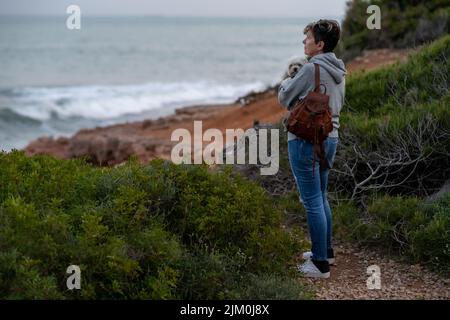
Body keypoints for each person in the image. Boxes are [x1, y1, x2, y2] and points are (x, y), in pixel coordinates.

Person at [278, 19, 347, 278]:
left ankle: (320, 265)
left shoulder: (310, 69)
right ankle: (325, 251)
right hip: (331, 137)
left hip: (307, 139)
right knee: (321, 194)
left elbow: (285, 99)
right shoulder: (340, 69)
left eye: (307, 38)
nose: (303, 42)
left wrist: (285, 83)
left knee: (311, 200)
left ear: (319, 44)